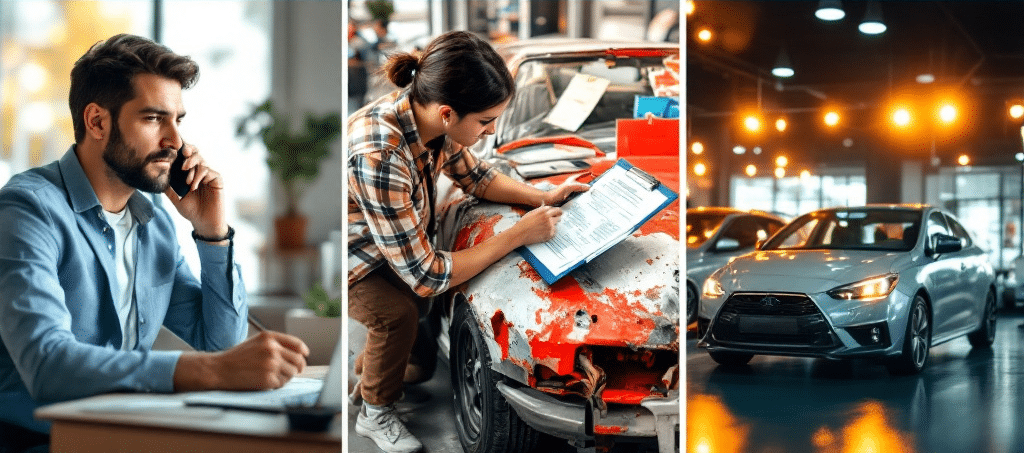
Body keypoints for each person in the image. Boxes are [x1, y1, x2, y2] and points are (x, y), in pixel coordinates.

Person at [0, 34, 310, 453]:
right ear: (97, 122)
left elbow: (220, 343)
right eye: (153, 119)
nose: (175, 141)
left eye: (177, 120)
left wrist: (213, 234)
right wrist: (211, 371)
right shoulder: (27, 210)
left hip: (127, 436)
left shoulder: (155, 224)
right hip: (38, 442)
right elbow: (47, 364)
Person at [347, 30, 588, 453]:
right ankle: (374, 412)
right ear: (447, 113)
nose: (491, 131)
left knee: (416, 347)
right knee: (397, 315)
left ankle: (366, 381)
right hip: (355, 259)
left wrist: (544, 196)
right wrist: (518, 234)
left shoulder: (431, 120)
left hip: (394, 245)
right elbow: (426, 275)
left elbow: (477, 177)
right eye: (485, 121)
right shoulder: (379, 154)